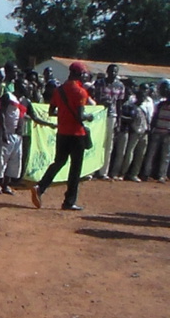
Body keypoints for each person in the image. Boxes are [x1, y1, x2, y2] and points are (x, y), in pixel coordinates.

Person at [31, 62, 93, 211]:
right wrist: (89, 116)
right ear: (80, 74)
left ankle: (40, 187)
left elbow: (52, 111)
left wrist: (64, 115)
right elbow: (80, 115)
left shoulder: (59, 90)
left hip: (62, 133)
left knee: (58, 162)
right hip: (76, 134)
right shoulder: (81, 92)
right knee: (75, 169)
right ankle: (69, 202)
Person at [93, 64, 125, 179]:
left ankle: (103, 172)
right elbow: (93, 98)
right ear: (107, 71)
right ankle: (91, 171)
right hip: (99, 115)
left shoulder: (120, 85)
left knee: (108, 145)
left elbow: (119, 104)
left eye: (115, 71)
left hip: (112, 115)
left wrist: (119, 121)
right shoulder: (99, 83)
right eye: (111, 71)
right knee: (96, 142)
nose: (113, 73)